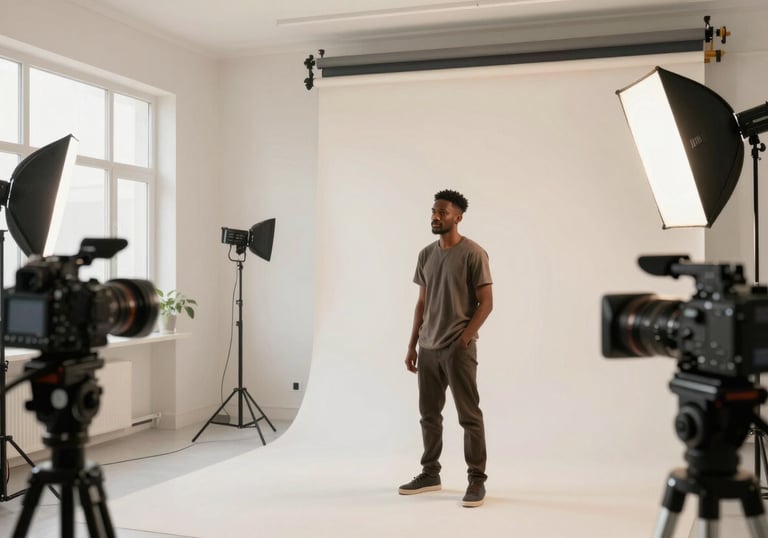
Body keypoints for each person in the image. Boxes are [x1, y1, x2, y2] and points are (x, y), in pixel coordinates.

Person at [399, 189, 493, 508]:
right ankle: (430, 473)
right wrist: (412, 345)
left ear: (458, 217)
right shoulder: (426, 254)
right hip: (428, 347)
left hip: (457, 349)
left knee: (469, 416)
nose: (436, 216)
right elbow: (422, 303)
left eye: (443, 212)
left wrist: (464, 339)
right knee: (429, 415)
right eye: (433, 211)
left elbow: (486, 302)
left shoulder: (473, 253)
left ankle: (476, 480)